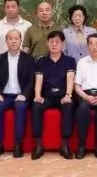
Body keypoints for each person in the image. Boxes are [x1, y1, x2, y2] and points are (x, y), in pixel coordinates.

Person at [0, 29, 36, 158]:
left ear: (21, 41)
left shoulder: (29, 59)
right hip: (4, 95)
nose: (13, 41)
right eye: (10, 38)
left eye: (16, 38)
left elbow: (31, 81)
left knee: (20, 107)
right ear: (6, 41)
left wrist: (24, 95)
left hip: (21, 95)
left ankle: (18, 144)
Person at [31, 30, 76, 160]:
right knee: (36, 105)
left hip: (63, 96)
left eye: (57, 42)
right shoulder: (41, 61)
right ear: (47, 43)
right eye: (52, 42)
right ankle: (38, 146)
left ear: (63, 44)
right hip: (47, 96)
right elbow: (39, 80)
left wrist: (68, 95)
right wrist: (37, 95)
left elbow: (70, 79)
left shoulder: (70, 61)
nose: (54, 44)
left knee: (69, 106)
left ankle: (64, 146)